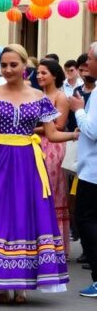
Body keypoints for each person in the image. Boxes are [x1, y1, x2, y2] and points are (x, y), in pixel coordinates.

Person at [0, 44, 77, 304]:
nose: (8, 70)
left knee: (23, 214)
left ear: (24, 67)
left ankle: (21, 284)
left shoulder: (39, 97)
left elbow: (52, 134)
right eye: (4, 65)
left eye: (13, 65)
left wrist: (78, 134)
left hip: (27, 160)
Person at [68, 43, 97, 298]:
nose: (86, 64)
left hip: (93, 171)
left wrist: (78, 110)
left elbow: (92, 130)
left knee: (86, 219)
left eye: (89, 59)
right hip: (91, 167)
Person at [36, 59, 71, 259]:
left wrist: (33, 128)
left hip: (53, 145)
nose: (40, 76)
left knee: (52, 189)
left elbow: (59, 125)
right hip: (33, 144)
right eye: (38, 72)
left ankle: (56, 243)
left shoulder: (60, 97)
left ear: (55, 75)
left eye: (44, 73)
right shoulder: (35, 95)